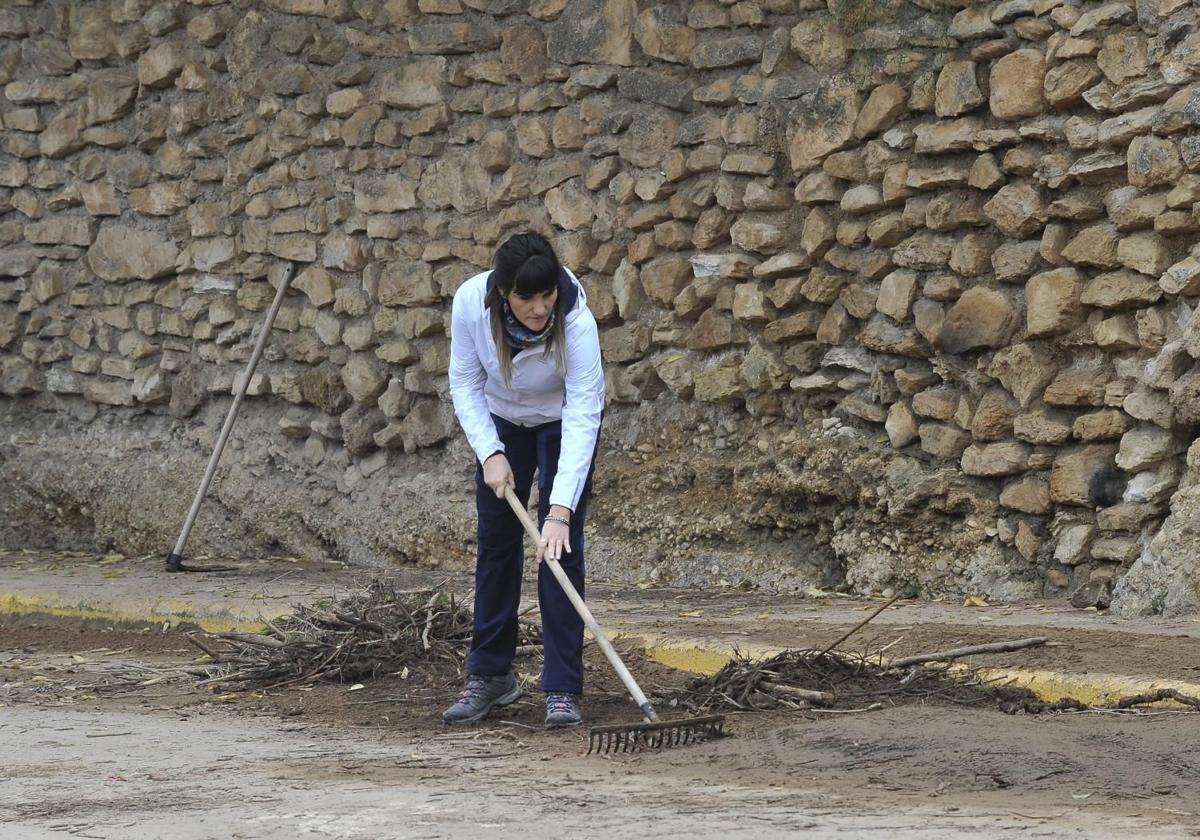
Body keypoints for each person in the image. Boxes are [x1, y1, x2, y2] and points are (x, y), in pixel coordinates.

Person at [443, 232, 605, 729]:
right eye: (526, 298)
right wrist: (490, 451)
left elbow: (583, 410)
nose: (539, 309)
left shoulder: (575, 320)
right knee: (497, 544)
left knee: (560, 549)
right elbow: (465, 381)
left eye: (546, 295)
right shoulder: (471, 304)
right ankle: (491, 676)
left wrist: (559, 513)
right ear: (502, 295)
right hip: (502, 419)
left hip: (561, 420)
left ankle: (561, 688)